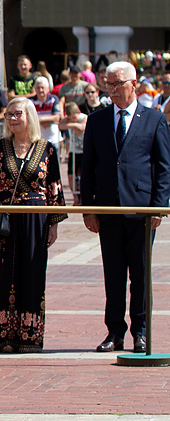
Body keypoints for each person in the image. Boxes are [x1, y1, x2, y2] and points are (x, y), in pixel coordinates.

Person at [81, 61, 170, 354]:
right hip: (108, 210)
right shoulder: (97, 120)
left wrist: (158, 207)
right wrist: (89, 209)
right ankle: (114, 332)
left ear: (134, 84)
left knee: (140, 274)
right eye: (109, 84)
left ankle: (140, 332)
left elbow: (163, 167)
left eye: (118, 83)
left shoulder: (154, 119)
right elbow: (88, 167)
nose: (112, 89)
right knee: (114, 274)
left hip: (142, 211)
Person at [0, 96, 66, 353]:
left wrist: (53, 224)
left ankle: (29, 337)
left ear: (29, 116)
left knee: (32, 273)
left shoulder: (47, 149)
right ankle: (4, 336)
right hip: (6, 219)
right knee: (4, 275)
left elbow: (55, 189)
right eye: (9, 115)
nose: (13, 119)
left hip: (35, 217)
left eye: (18, 114)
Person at [58, 102, 87, 204]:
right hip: (73, 151)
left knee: (84, 174)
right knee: (70, 175)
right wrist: (73, 124)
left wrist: (71, 125)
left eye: (74, 117)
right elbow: (61, 125)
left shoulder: (84, 117)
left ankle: (84, 196)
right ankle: (75, 197)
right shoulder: (69, 120)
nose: (72, 120)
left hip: (84, 151)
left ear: (78, 112)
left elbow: (81, 128)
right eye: (70, 118)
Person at [30, 76, 61, 151]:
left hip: (52, 138)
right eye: (38, 88)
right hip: (36, 138)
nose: (40, 90)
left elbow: (57, 117)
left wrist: (39, 119)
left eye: (42, 87)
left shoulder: (54, 99)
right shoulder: (30, 102)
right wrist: (47, 119)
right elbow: (29, 118)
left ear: (48, 88)